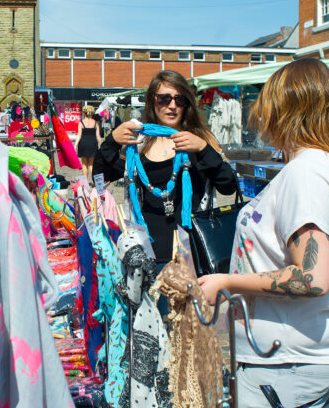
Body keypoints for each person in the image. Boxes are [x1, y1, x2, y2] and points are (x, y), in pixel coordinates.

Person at [197, 58, 329, 408]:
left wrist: (227, 282)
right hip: (292, 359)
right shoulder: (318, 166)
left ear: (287, 108)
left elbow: (311, 277)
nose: (261, 118)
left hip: (286, 364)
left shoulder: (308, 173)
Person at [94, 70, 237, 265]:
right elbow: (100, 177)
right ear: (153, 101)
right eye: (164, 99)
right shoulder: (139, 142)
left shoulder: (200, 138)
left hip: (192, 251)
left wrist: (203, 149)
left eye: (180, 100)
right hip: (147, 250)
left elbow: (228, 185)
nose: (172, 106)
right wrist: (112, 140)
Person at [75, 105, 103, 183]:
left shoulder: (81, 123)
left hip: (83, 144)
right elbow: (98, 136)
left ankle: (84, 183)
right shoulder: (95, 123)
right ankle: (95, 182)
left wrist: (75, 145)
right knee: (92, 165)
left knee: (84, 165)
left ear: (84, 113)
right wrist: (100, 145)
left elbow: (79, 135)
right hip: (93, 144)